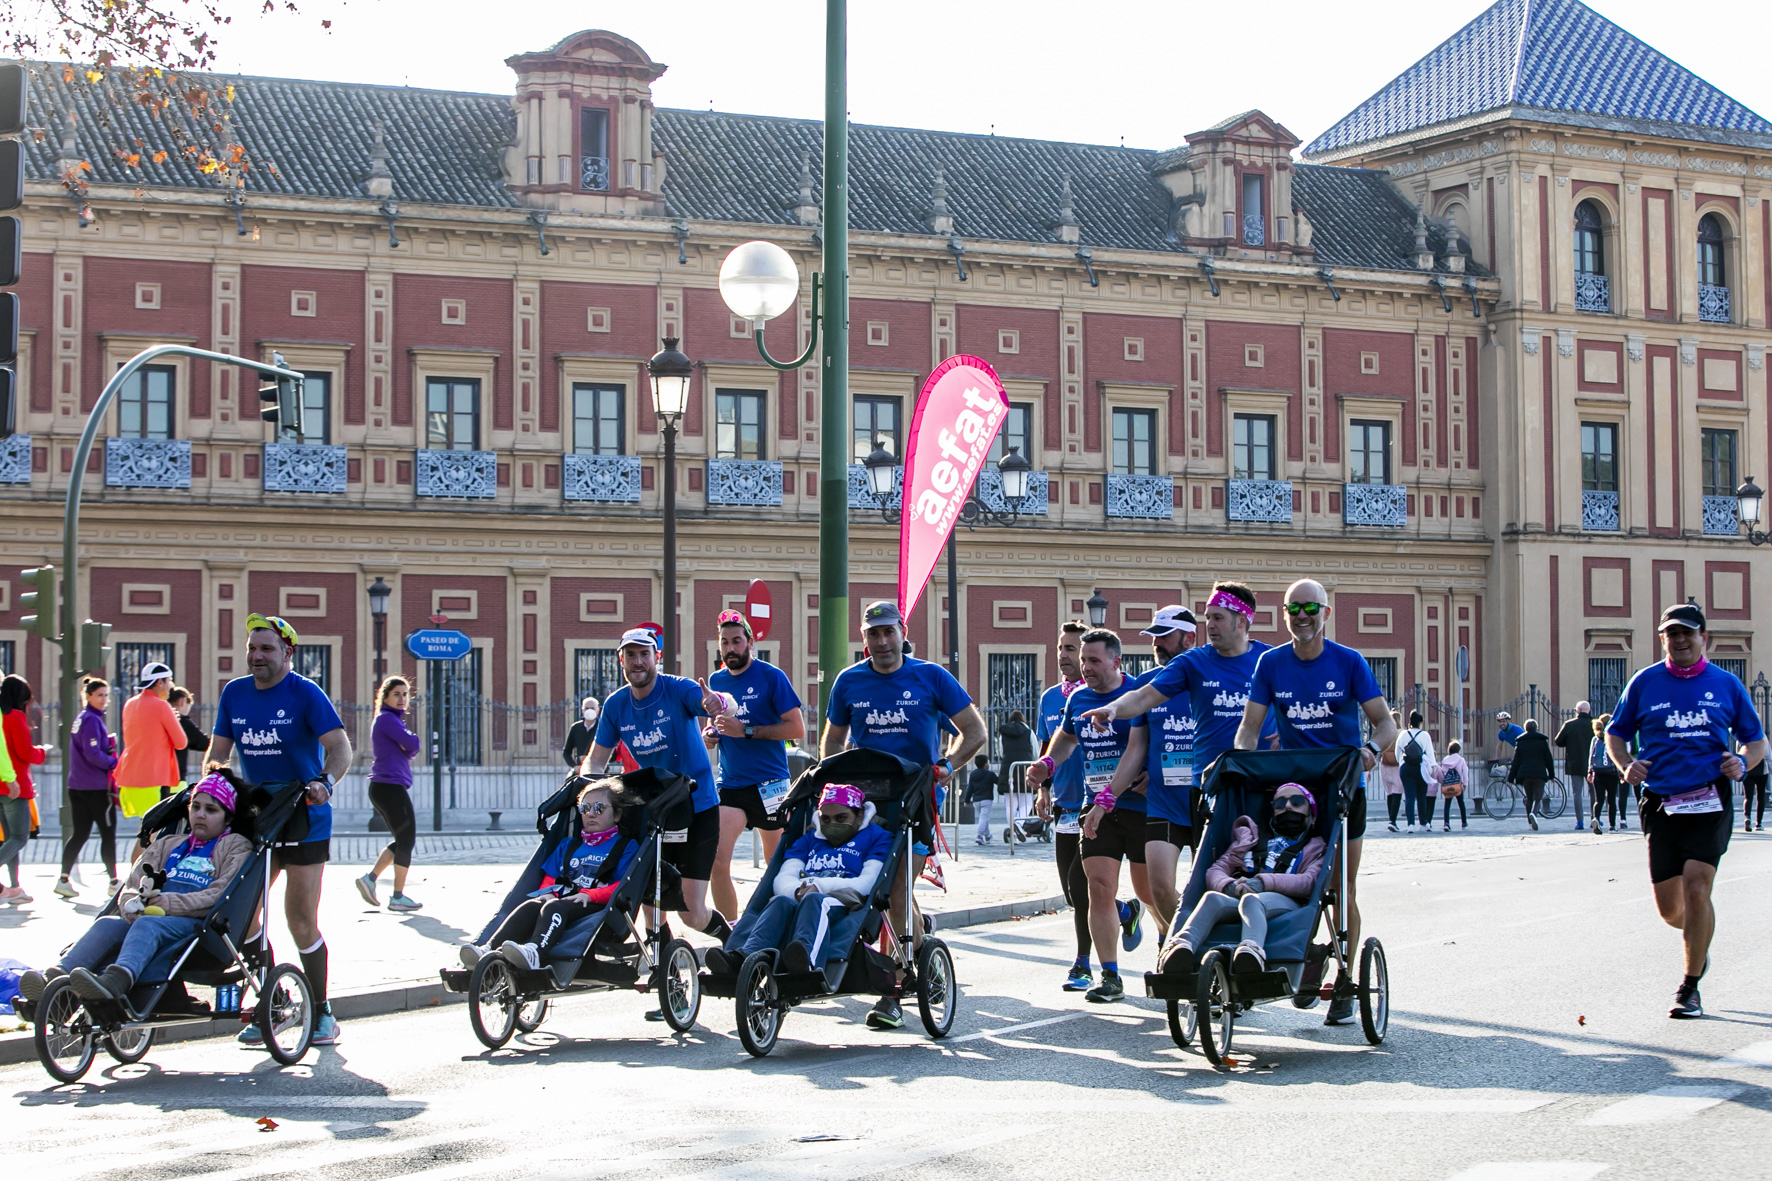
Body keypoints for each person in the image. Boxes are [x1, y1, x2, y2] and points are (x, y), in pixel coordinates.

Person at [1235, 577, 1397, 1026]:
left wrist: (1369, 751)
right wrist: (1240, 763)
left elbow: (1385, 723)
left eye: (1311, 609)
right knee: (1296, 878)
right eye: (1293, 609)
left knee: (1340, 887)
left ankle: (1344, 978)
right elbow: (1250, 727)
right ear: (1283, 614)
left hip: (1344, 788)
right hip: (1295, 796)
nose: (1302, 617)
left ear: (1325, 613)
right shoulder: (1270, 663)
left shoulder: (1349, 662)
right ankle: (1307, 955)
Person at [822, 600, 986, 1029]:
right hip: (865, 807)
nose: (882, 642)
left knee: (895, 890)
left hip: (916, 803)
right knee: (865, 888)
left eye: (888, 632)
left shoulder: (931, 676)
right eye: (873, 634)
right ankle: (914, 937)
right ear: (864, 639)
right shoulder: (848, 682)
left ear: (902, 631)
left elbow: (975, 731)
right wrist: (831, 794)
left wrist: (947, 768)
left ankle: (892, 991)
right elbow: (832, 744)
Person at [1605, 602, 1766, 1018]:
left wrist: (1742, 762)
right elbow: (1616, 733)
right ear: (1663, 640)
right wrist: (1627, 765)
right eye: (1672, 634)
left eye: (1687, 634)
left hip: (1710, 796)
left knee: (1698, 887)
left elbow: (1756, 740)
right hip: (1659, 800)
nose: (1680, 641)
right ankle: (1700, 937)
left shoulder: (1727, 685)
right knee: (1670, 910)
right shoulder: (1644, 683)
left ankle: (1689, 987)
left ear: (1702, 638)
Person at [1085, 586, 1272, 940]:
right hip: (1179, 798)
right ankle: (1186, 945)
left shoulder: (1269, 661)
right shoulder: (1189, 666)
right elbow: (1141, 701)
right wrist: (1114, 709)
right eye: (1207, 619)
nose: (1210, 626)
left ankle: (1220, 944)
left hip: (1239, 793)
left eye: (1217, 618)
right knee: (1158, 887)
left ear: (1243, 619)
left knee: (1221, 883)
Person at [206, 613, 353, 1047]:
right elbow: (217, 755)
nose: (257, 656)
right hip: (256, 819)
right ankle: (273, 1005)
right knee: (244, 915)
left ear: (288, 652)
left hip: (305, 818)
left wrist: (325, 783)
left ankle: (322, 1012)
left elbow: (340, 748)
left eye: (266, 649)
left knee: (299, 920)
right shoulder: (234, 694)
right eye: (252, 648)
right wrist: (212, 792)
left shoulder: (305, 693)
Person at [580, 627, 734, 981]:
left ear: (656, 658)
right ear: (621, 661)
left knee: (692, 913)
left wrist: (718, 703)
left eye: (644, 654)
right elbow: (596, 759)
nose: (638, 662)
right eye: (630, 655)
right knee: (650, 903)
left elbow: (722, 702)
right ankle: (668, 980)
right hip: (655, 810)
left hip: (698, 807)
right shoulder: (617, 705)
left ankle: (733, 942)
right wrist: (585, 788)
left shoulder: (677, 689)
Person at [19, 772, 251, 1004]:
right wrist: (133, 904)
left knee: (147, 924)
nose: (200, 815)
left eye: (211, 810)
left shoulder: (235, 846)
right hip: (149, 914)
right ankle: (53, 980)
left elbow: (221, 893)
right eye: (195, 807)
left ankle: (116, 982)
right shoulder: (168, 843)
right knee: (106, 924)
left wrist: (169, 903)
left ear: (227, 818)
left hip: (196, 924)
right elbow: (131, 884)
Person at [1027, 627, 1150, 1004]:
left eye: (1094, 660)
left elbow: (1146, 744)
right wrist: (1047, 764)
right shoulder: (1078, 698)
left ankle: (1170, 948)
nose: (1086, 667)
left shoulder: (1137, 696)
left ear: (1116, 661)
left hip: (1141, 807)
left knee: (1153, 891)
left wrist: (1149, 776)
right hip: (1094, 805)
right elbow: (1066, 738)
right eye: (1084, 660)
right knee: (1097, 888)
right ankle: (1109, 974)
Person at [709, 784, 893, 976]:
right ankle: (743, 958)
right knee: (780, 901)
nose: (832, 824)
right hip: (802, 894)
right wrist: (796, 891)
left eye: (841, 818)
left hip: (843, 899)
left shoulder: (876, 836)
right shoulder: (810, 839)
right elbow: (784, 877)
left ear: (860, 816)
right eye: (826, 819)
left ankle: (805, 960)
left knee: (816, 901)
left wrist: (819, 887)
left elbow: (868, 882)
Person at [1161, 783, 1329, 977]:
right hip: (1241, 894)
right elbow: (1217, 869)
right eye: (1280, 803)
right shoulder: (1250, 839)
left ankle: (1252, 950)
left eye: (1297, 802)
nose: (1288, 807)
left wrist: (1262, 883)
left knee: (1252, 901)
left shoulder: (1314, 847)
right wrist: (1229, 886)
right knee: (1211, 898)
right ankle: (1182, 946)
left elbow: (1309, 882)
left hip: (1284, 900)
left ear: (1311, 811)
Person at [475, 779, 643, 970]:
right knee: (533, 904)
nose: (591, 814)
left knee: (555, 905)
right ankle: (488, 949)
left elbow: (622, 885)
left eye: (599, 808)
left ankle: (536, 952)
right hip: (563, 901)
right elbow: (551, 877)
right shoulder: (568, 845)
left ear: (617, 814)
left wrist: (590, 894)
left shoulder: (626, 846)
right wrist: (545, 893)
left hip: (598, 907)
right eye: (585, 808)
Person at [707, 609, 805, 920]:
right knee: (716, 861)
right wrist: (711, 734)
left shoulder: (771, 676)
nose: (730, 648)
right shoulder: (716, 680)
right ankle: (731, 934)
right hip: (731, 783)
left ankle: (772, 923)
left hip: (770, 784)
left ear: (750, 643)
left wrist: (747, 731)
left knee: (775, 861)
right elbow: (721, 724)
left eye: (737, 641)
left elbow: (796, 729)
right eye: (724, 642)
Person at [1033, 620, 1101, 991]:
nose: (1064, 656)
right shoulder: (1049, 699)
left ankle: (1083, 964)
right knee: (1072, 892)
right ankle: (1123, 911)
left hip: (1098, 805)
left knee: (1082, 883)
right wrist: (1043, 787)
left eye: (1071, 649)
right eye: (1061, 648)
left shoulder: (1101, 695)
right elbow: (1047, 749)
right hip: (1064, 805)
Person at [356, 675, 424, 912]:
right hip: (389, 787)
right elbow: (413, 745)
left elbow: (410, 746)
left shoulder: (391, 720)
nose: (402, 699)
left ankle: (370, 879)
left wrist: (409, 743)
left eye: (405, 694)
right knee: (407, 839)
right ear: (384, 697)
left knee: (402, 838)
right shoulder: (387, 719)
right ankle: (397, 896)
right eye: (396, 694)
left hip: (386, 787)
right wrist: (411, 742)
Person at [58, 676, 120, 899]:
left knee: (80, 833)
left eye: (106, 695)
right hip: (95, 787)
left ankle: (63, 878)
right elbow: (93, 754)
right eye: (99, 695)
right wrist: (116, 762)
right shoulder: (92, 720)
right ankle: (114, 881)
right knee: (107, 833)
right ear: (88, 696)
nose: (104, 699)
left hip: (77, 785)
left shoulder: (81, 718)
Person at [117, 662, 186, 817]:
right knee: (153, 832)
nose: (171, 687)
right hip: (154, 778)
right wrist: (173, 722)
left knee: (145, 831)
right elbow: (181, 743)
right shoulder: (162, 706)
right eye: (169, 681)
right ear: (159, 682)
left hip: (129, 777)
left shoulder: (129, 704)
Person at [1, 674, 48, 906]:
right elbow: (24, 752)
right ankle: (13, 885)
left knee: (8, 839)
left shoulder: (1, 716)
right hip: (15, 785)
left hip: (1, 784)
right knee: (19, 838)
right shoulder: (16, 717)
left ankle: (14, 887)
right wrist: (41, 751)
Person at [1508, 719, 1556, 831]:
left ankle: (1530, 824)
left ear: (1525, 728)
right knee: (1538, 798)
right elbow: (1549, 759)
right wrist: (1551, 775)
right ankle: (1534, 814)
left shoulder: (1520, 741)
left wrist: (1511, 778)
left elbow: (1516, 761)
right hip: (1539, 774)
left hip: (1525, 774)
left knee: (1529, 798)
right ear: (1536, 728)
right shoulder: (1542, 741)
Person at [1395, 711, 1439, 833]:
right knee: (1421, 796)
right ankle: (1423, 823)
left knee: (1409, 796)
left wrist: (1401, 762)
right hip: (1420, 768)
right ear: (1420, 723)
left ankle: (1410, 825)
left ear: (1409, 722)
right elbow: (1430, 753)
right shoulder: (1425, 735)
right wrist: (1433, 767)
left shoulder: (1403, 734)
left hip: (1406, 767)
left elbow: (1397, 751)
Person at [1556, 700, 1594, 832]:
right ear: (1588, 710)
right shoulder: (1594, 724)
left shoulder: (1570, 724)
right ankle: (1595, 818)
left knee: (1577, 792)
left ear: (1577, 710)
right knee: (1594, 792)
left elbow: (1558, 741)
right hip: (1592, 764)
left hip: (1575, 762)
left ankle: (1580, 821)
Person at [997, 709, 1036, 827]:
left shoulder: (1004, 733)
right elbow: (1035, 751)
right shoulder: (1028, 732)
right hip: (1025, 768)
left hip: (1008, 769)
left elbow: (1001, 751)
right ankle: (1018, 825)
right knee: (1027, 801)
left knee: (1010, 804)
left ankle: (1012, 832)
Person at [166, 687, 210, 786]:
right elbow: (204, 743)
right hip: (176, 780)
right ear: (183, 701)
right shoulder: (182, 722)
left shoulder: (161, 718)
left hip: (159, 778)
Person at [1587, 714, 1621, 833]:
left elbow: (1591, 756)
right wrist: (1621, 771)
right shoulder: (1613, 737)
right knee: (1611, 800)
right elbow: (1617, 754)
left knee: (1598, 800)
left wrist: (1590, 771)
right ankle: (1612, 825)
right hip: (1611, 773)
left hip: (1598, 773)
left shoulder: (1595, 738)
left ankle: (1596, 819)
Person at [1434, 740, 1469, 830]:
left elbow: (1442, 774)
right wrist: (1465, 784)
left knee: (1447, 805)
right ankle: (1464, 823)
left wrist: (1443, 783)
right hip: (1458, 786)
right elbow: (1465, 772)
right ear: (1458, 750)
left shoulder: (1445, 760)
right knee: (1461, 804)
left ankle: (1446, 823)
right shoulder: (1461, 760)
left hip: (1448, 786)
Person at [965, 755, 999, 845]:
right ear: (985, 764)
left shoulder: (973, 774)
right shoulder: (990, 774)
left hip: (976, 800)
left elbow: (970, 788)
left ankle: (987, 836)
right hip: (986, 800)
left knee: (983, 818)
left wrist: (966, 800)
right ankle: (979, 835)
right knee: (984, 818)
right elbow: (998, 781)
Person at [1380, 710, 1405, 832]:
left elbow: (1377, 749)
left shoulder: (1384, 732)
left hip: (1384, 765)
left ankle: (1391, 819)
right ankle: (1392, 821)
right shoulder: (1402, 733)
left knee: (1389, 793)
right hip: (1397, 765)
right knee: (1397, 793)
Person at [563, 695, 600, 770]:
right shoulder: (575, 727)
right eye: (587, 708)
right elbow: (566, 752)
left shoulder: (603, 728)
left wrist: (591, 758)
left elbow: (613, 753)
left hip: (599, 770)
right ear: (582, 710)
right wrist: (574, 766)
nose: (589, 711)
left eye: (592, 708)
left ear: (597, 710)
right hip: (581, 770)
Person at [1743, 743, 1768, 834]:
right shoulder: (1762, 737)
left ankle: (1747, 817)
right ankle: (1759, 824)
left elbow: (1738, 754)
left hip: (1747, 769)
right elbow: (1768, 754)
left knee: (1748, 797)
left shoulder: (1741, 737)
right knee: (1760, 796)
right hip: (1761, 770)